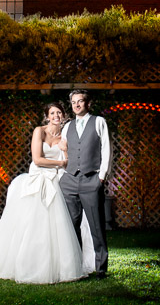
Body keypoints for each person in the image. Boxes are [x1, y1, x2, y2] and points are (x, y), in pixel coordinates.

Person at [0, 102, 95, 284]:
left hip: (58, 178)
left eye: (59, 113)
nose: (56, 116)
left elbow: (71, 161)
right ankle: (26, 262)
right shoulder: (39, 131)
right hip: (38, 177)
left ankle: (62, 265)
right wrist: (60, 164)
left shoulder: (66, 135)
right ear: (47, 116)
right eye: (52, 113)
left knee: (61, 224)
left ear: (63, 116)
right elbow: (37, 159)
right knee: (32, 222)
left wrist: (65, 154)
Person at [60, 89, 111, 279]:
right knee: (71, 226)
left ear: (88, 103)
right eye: (73, 102)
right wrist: (61, 175)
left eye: (80, 101)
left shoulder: (99, 122)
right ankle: (76, 267)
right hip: (70, 180)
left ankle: (101, 268)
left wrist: (102, 176)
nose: (77, 105)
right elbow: (62, 152)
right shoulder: (67, 126)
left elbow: (106, 148)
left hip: (92, 179)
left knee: (96, 225)